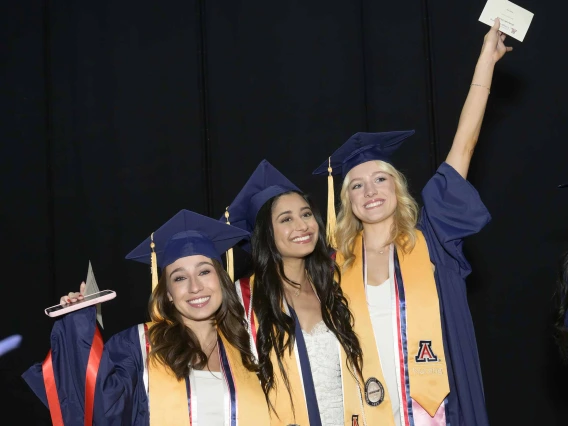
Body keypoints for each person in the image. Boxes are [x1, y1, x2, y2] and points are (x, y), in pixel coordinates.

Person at [312, 18, 512, 426]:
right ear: (346, 202)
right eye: (357, 186)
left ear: (397, 188)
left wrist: (486, 63)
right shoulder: (332, 268)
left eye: (380, 179)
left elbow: (464, 146)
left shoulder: (434, 238)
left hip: (439, 412)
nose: (370, 191)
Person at [23, 210, 270, 426]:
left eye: (204, 271)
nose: (195, 287)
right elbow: (97, 406)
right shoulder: (139, 345)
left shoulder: (250, 343)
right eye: (179, 278)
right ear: (169, 294)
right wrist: (76, 322)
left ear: (221, 279)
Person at [222, 159, 368, 426]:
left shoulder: (336, 284)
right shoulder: (243, 300)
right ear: (266, 233)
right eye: (286, 219)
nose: (302, 226)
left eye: (306, 214)